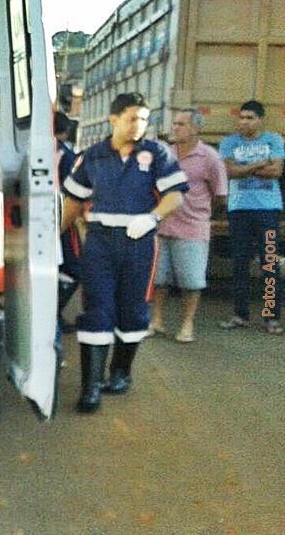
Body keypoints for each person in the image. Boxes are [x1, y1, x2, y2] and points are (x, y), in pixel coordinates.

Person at [61, 92, 187, 414]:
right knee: (97, 309)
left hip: (139, 242)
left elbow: (175, 195)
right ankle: (90, 388)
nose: (139, 125)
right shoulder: (94, 156)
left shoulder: (156, 152)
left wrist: (152, 217)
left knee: (132, 310)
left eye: (144, 119)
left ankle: (120, 373)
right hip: (101, 242)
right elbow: (73, 202)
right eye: (133, 118)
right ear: (113, 119)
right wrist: (53, 237)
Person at [149, 109, 228, 342]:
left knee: (190, 282)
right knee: (159, 279)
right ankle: (157, 321)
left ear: (195, 128)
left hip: (192, 229)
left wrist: (201, 213)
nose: (175, 128)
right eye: (174, 124)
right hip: (163, 227)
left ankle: (187, 325)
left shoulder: (210, 158)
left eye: (181, 124)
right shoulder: (165, 154)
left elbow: (221, 195)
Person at [217, 100, 284, 335]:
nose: (244, 122)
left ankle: (271, 317)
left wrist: (243, 167)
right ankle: (240, 315)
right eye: (242, 117)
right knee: (240, 263)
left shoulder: (273, 140)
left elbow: (276, 171)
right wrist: (258, 164)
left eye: (250, 118)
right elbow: (229, 172)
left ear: (260, 119)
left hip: (268, 210)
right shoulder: (229, 143)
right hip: (239, 210)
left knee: (269, 263)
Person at [54, 112, 80, 335]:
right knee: (74, 268)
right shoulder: (67, 155)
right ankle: (54, 314)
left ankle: (54, 315)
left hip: (38, 216)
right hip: (61, 217)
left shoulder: (36, 148)